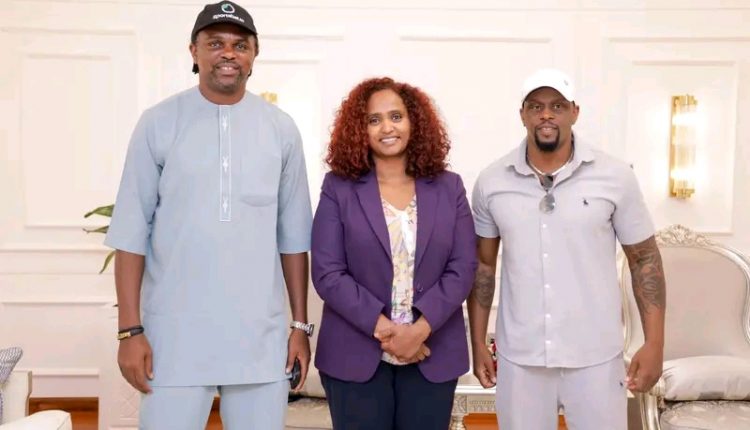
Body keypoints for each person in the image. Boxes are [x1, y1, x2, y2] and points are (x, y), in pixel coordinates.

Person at [104, 2, 314, 428]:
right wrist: (129, 331)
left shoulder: (281, 129)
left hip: (260, 338)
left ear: (254, 55)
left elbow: (293, 239)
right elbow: (130, 232)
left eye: (240, 45)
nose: (228, 53)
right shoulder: (158, 123)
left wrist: (299, 327)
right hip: (173, 339)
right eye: (215, 43)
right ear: (194, 51)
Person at [468, 68, 666, 430]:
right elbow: (483, 266)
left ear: (574, 112)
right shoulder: (491, 182)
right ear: (523, 114)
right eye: (536, 106)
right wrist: (478, 341)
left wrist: (655, 343)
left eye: (557, 106)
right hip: (521, 358)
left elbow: (645, 261)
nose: (546, 114)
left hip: (596, 356)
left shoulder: (615, 176)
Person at [311, 77, 477, 429]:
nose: (387, 127)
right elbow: (328, 271)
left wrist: (418, 331)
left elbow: (463, 267)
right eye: (374, 120)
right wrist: (387, 331)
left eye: (396, 116)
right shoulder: (338, 188)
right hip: (354, 355)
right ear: (360, 129)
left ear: (414, 122)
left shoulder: (449, 187)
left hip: (431, 352)